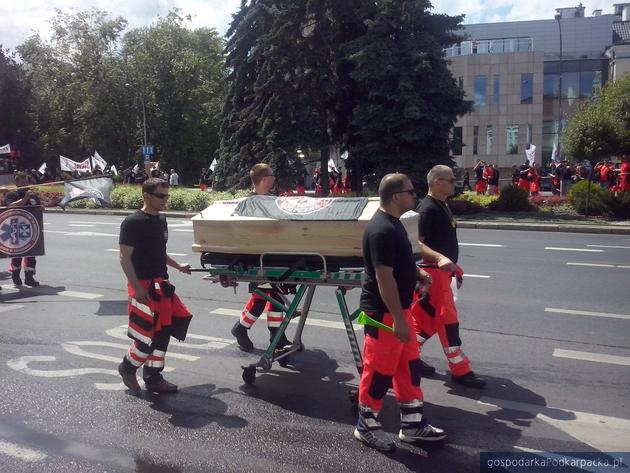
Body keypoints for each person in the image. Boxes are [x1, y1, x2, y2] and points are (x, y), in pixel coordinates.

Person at [354, 172, 446, 452]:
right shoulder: (381, 229)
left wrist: (417, 273)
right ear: (396, 197)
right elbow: (383, 277)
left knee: (409, 368)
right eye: (410, 191)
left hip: (399, 311)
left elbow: (398, 264)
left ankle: (413, 424)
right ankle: (365, 426)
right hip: (383, 316)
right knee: (379, 371)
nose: (414, 196)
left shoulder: (394, 224)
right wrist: (397, 318)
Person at [411, 165, 486, 389]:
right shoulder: (427, 210)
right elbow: (416, 243)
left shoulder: (440, 205)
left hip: (441, 273)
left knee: (424, 322)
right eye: (451, 180)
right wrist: (441, 259)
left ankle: (409, 358)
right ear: (436, 182)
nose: (456, 183)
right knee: (447, 321)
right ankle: (461, 370)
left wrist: (453, 267)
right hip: (433, 274)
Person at [117, 178, 193, 395]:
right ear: (146, 195)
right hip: (142, 285)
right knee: (146, 336)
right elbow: (124, 258)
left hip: (161, 284)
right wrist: (137, 288)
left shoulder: (161, 220)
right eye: (161, 196)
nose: (165, 200)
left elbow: (159, 253)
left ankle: (153, 378)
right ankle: (127, 367)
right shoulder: (133, 222)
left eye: (167, 196)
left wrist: (178, 266)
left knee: (163, 333)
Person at [230, 163, 291, 351]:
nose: (274, 178)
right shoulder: (251, 203)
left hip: (272, 257)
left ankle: (272, 335)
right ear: (265, 179)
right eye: (272, 175)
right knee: (265, 298)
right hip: (258, 260)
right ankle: (247, 330)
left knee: (273, 297)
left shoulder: (267, 200)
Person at [3, 172, 42, 286]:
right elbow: (10, 206)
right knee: (17, 254)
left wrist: (42, 208)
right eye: (22, 182)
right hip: (16, 228)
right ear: (16, 183)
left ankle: (29, 277)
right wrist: (25, 197)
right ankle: (15, 275)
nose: (25, 183)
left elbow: (37, 208)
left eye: (26, 181)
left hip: (32, 229)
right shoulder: (11, 194)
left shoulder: (33, 195)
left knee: (32, 254)